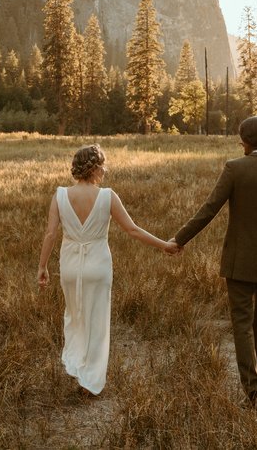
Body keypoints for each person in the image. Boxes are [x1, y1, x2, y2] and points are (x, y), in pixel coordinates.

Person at [169, 116, 257, 408]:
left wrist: (180, 239)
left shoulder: (235, 169)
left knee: (242, 323)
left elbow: (209, 208)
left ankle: (253, 389)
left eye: (241, 137)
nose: (240, 142)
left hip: (239, 261)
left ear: (249, 140)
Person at [37, 144, 179, 395]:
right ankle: (89, 380)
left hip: (70, 266)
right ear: (94, 167)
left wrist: (42, 266)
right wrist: (164, 245)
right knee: (97, 322)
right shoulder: (107, 196)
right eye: (103, 166)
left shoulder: (59, 195)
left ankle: (77, 364)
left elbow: (50, 234)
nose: (105, 171)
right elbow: (133, 230)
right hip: (98, 266)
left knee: (75, 316)